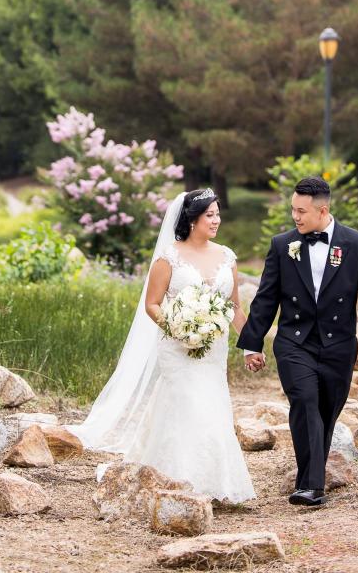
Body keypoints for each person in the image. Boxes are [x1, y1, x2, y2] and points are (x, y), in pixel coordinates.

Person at [66, 188, 255, 503]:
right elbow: (152, 304)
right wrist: (180, 328)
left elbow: (234, 307)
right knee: (188, 405)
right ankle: (181, 483)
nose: (216, 220)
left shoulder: (227, 257)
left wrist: (251, 346)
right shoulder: (169, 257)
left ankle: (214, 482)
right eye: (209, 215)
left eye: (218, 214)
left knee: (213, 407)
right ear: (192, 219)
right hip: (178, 348)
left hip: (214, 351)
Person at [238, 175, 358, 507]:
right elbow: (266, 298)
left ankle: (311, 481)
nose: (295, 217)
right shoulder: (282, 245)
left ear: (323, 211)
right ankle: (311, 486)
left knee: (325, 411)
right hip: (295, 342)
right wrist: (252, 344)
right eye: (293, 209)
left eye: (301, 211)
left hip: (339, 346)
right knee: (305, 401)